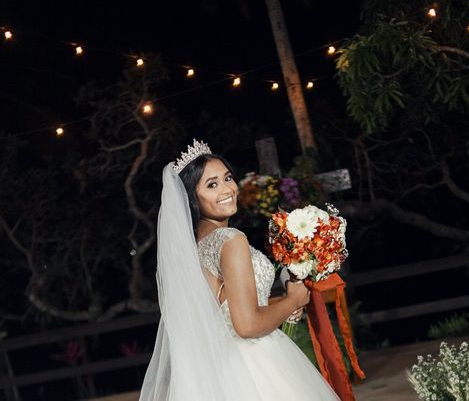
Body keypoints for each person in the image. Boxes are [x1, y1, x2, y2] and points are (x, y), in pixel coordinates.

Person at [140, 140, 339, 400]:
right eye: (212, 185)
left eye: (228, 178)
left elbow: (227, 308)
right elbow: (246, 325)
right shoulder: (231, 240)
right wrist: (293, 299)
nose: (227, 189)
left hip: (222, 368)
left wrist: (279, 305)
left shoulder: (195, 248)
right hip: (255, 365)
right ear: (193, 198)